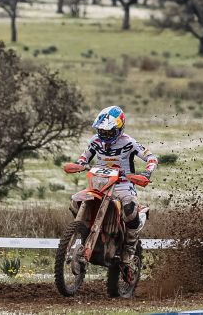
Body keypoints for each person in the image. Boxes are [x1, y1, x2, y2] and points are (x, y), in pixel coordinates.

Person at [63, 105, 159, 265]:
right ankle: (84, 231)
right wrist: (80, 164)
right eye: (102, 131)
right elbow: (84, 157)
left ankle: (129, 248)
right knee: (75, 201)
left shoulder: (129, 142)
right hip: (99, 183)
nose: (105, 135)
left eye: (109, 132)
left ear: (119, 128)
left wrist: (147, 173)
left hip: (123, 184)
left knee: (129, 208)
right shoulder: (95, 141)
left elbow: (151, 158)